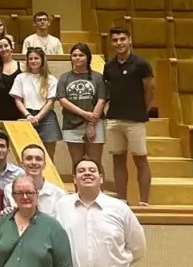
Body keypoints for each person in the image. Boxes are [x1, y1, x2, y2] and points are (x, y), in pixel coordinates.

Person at [103, 26, 155, 206]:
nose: (119, 43)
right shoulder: (108, 66)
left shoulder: (141, 64)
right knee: (118, 159)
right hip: (114, 118)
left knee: (140, 158)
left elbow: (150, 89)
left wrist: (143, 110)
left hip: (135, 120)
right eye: (115, 40)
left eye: (122, 39)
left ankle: (144, 202)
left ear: (130, 40)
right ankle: (122, 200)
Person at [58, 43, 108, 172]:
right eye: (74, 55)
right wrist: (84, 114)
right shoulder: (64, 77)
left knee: (95, 163)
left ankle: (98, 192)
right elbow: (63, 100)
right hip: (72, 125)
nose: (77, 58)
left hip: (95, 124)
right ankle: (78, 193)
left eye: (81, 55)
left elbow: (101, 101)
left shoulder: (98, 77)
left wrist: (91, 124)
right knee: (77, 163)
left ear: (87, 58)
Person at [11, 48, 61, 158]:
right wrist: (28, 115)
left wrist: (37, 117)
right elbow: (17, 100)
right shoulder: (21, 77)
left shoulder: (51, 79)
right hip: (27, 115)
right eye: (30, 58)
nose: (33, 61)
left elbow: (50, 102)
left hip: (47, 117)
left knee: (48, 154)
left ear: (42, 60)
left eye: (36, 58)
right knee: (26, 153)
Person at [3, 143, 66, 215]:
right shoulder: (9, 190)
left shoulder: (59, 195)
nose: (34, 162)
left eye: (38, 159)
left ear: (44, 164)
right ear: (21, 164)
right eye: (29, 158)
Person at [0, 36, 21, 121]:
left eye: (6, 45)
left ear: (11, 47)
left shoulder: (22, 66)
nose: (3, 49)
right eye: (0, 47)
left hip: (18, 110)